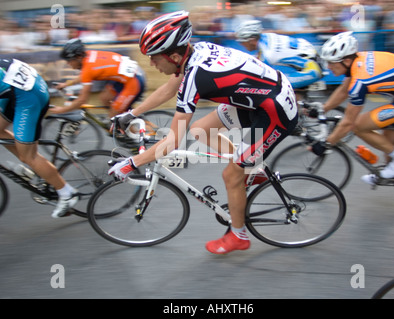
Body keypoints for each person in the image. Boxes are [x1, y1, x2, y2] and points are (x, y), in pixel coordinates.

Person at [109, 11, 298, 254]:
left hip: (274, 110)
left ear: (175, 56)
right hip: (260, 97)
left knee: (231, 175)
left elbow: (173, 141)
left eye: (155, 58)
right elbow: (168, 89)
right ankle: (253, 169)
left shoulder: (195, 77)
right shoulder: (193, 53)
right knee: (199, 129)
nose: (152, 64)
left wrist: (131, 163)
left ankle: (238, 236)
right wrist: (132, 113)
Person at [312, 31, 394, 184]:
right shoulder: (359, 58)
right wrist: (324, 108)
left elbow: (348, 122)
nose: (329, 67)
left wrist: (327, 143)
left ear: (347, 61)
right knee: (387, 142)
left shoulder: (360, 81)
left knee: (359, 126)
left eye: (331, 62)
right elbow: (343, 91)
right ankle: (391, 168)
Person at [0, 57, 78, 218]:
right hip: (19, 88)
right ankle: (34, 170)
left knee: (29, 155)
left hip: (29, 96)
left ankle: (67, 193)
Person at [52, 38, 146, 119]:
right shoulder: (87, 55)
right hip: (128, 76)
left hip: (134, 82)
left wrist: (62, 110)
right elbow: (85, 76)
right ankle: (124, 114)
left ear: (78, 57)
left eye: (69, 60)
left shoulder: (87, 69)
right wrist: (66, 84)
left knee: (113, 116)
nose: (69, 64)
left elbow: (82, 100)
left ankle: (135, 135)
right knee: (105, 98)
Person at [234, 20, 323, 92]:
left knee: (275, 88)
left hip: (312, 68)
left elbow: (255, 75)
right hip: (310, 57)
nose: (241, 44)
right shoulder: (266, 36)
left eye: (242, 41)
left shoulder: (268, 54)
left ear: (252, 40)